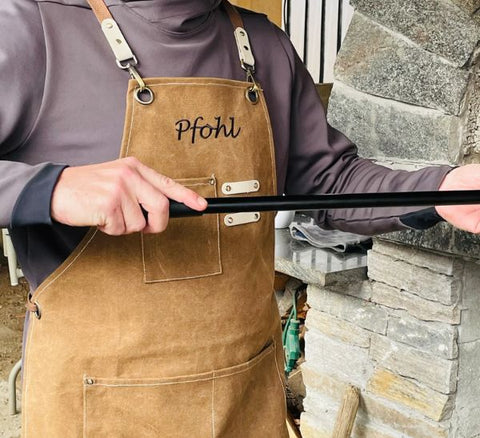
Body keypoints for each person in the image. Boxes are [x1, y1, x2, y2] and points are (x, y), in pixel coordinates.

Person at [1, 0, 479, 436]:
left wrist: (440, 191)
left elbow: (327, 182)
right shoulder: (32, 29)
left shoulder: (263, 44)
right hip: (97, 404)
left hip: (245, 394)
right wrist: (50, 188)